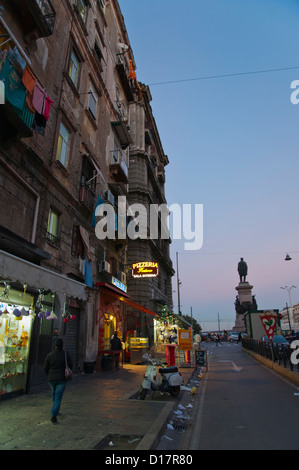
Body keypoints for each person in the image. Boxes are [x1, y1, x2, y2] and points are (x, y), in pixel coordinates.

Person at [44, 338, 73, 424]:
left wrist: (49, 375)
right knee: (58, 396)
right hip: (61, 379)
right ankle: (54, 414)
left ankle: (55, 408)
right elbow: (70, 364)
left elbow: (46, 367)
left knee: (54, 394)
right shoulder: (65, 354)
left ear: (55, 345)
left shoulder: (50, 355)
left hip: (51, 379)